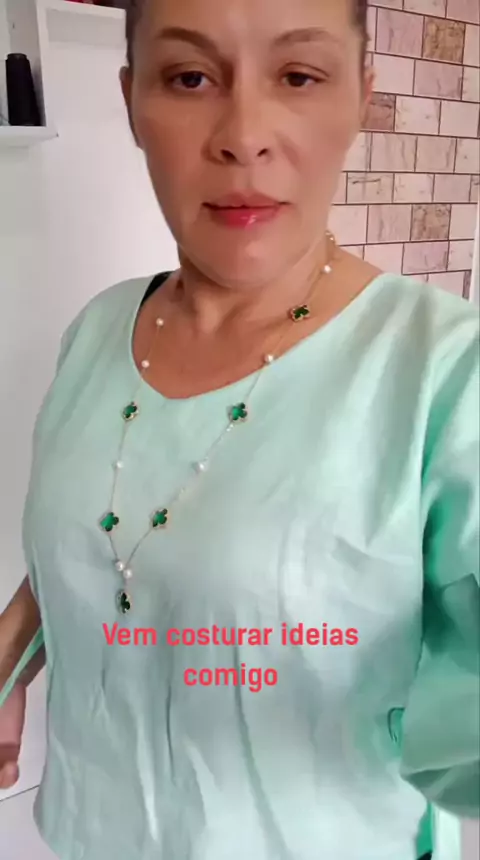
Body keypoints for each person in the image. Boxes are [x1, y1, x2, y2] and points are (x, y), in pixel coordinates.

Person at [0, 0, 478, 857]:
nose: (244, 137)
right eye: (190, 78)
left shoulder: (446, 372)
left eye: (299, 76)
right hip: (87, 831)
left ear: (360, 98)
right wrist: (13, 651)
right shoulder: (98, 329)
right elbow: (114, 538)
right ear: (132, 103)